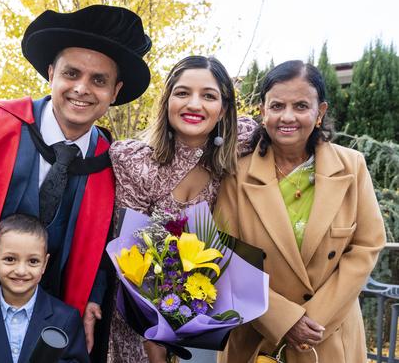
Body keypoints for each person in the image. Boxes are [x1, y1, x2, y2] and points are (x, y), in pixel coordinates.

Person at [0, 5, 151, 360]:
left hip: (57, 325)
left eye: (99, 80)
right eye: (71, 73)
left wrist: (94, 297)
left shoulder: (113, 162)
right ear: (51, 73)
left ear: (115, 91)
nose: (82, 89)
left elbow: (111, 250)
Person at [215, 60, 386, 362]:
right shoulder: (236, 174)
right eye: (277, 105)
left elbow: (367, 245)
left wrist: (313, 318)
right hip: (258, 338)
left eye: (301, 106)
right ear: (262, 111)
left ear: (320, 112)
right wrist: (283, 318)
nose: (288, 117)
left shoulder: (353, 166)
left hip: (329, 335)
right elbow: (224, 256)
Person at [107, 55, 257, 362]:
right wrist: (153, 335)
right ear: (167, 102)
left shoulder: (240, 143)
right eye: (183, 92)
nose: (194, 104)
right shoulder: (135, 161)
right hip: (136, 318)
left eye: (209, 96)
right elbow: (129, 256)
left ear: (224, 108)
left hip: (203, 313)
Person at [0, 213, 88, 362]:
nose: (21, 271)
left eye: (33, 261)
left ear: (44, 264)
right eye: (10, 259)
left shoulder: (66, 319)